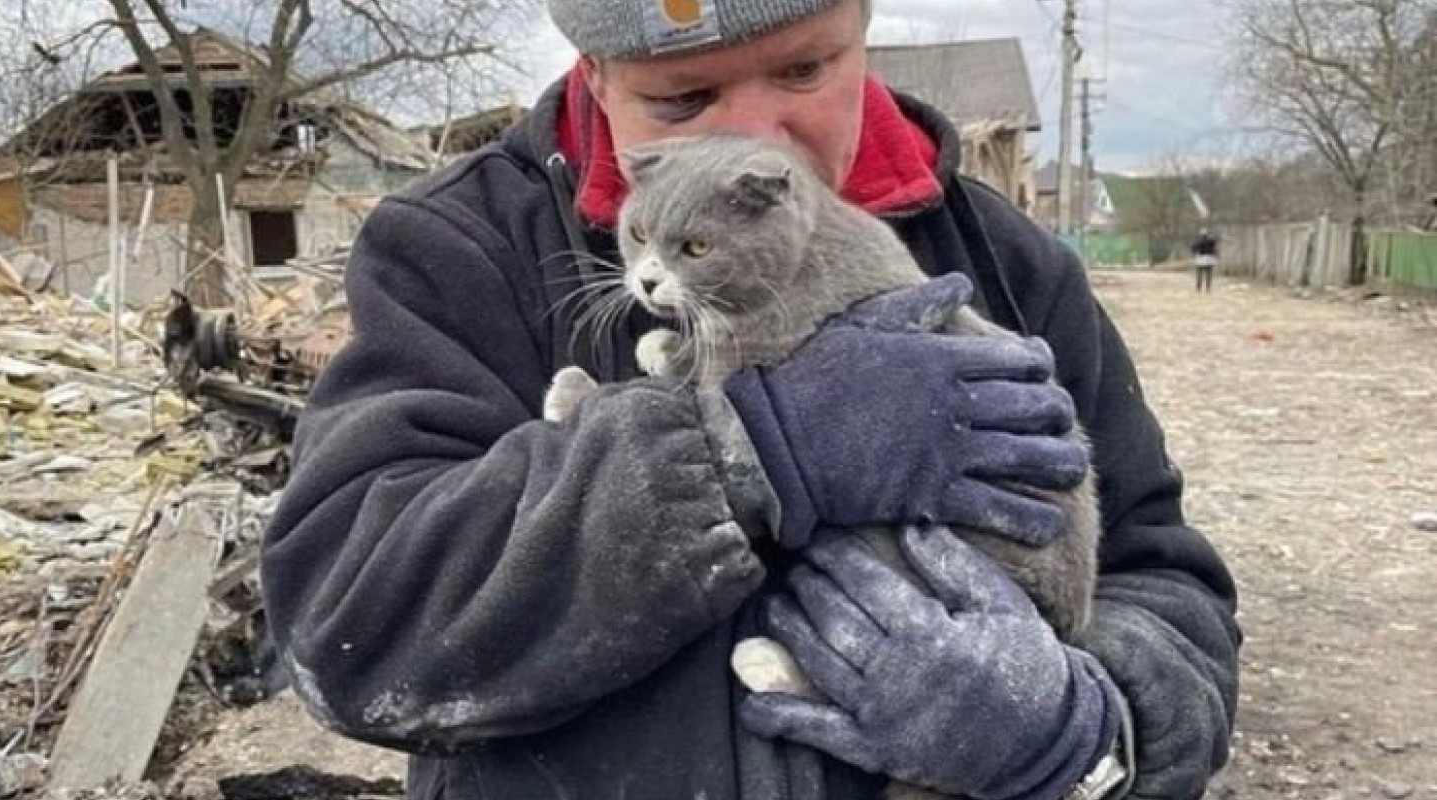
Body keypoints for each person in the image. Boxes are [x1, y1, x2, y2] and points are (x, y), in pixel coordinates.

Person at [262, 2, 1241, 799]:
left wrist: (1079, 728)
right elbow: (347, 622)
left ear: (861, 25)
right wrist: (738, 450)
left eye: (805, 70)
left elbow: (1166, 584)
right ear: (597, 78)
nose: (751, 135)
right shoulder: (460, 250)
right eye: (683, 97)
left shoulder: (1006, 262)